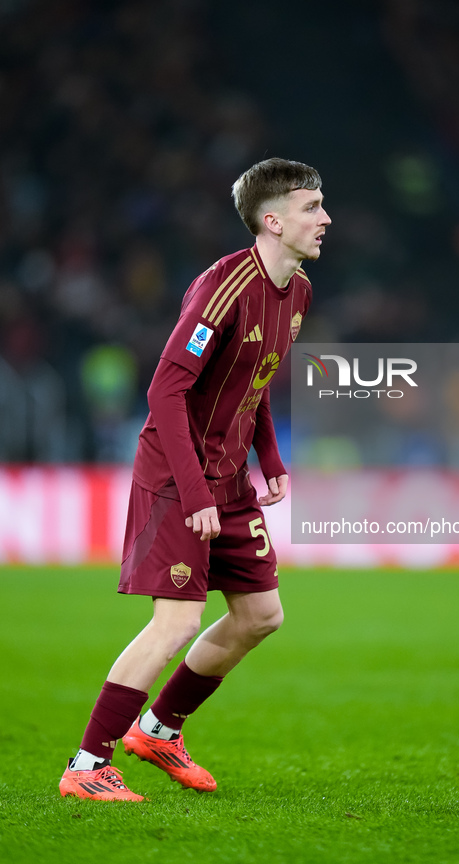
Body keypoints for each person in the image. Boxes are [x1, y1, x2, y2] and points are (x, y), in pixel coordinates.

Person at [59, 157, 331, 801]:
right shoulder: (223, 289)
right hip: (178, 475)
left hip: (231, 477)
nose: (325, 219)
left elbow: (254, 381)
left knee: (260, 615)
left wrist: (271, 460)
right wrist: (197, 490)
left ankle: (158, 729)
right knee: (175, 622)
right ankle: (87, 766)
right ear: (273, 221)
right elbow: (165, 390)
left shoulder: (298, 292)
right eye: (311, 207)